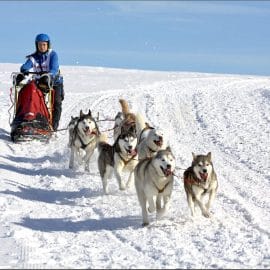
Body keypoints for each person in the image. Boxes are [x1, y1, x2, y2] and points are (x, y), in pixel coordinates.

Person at [19, 33, 64, 131]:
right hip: (40, 83)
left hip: (55, 82)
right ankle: (32, 120)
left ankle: (53, 127)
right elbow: (25, 66)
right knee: (32, 98)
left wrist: (48, 75)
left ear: (48, 45)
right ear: (36, 45)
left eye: (44, 44)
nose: (42, 47)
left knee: (56, 103)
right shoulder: (33, 57)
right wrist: (23, 71)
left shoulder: (53, 55)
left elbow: (54, 69)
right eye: (40, 44)